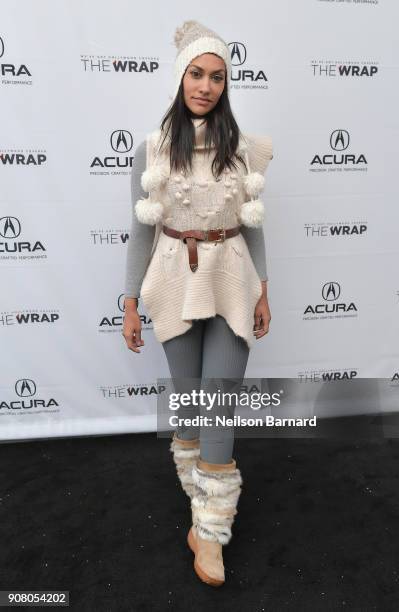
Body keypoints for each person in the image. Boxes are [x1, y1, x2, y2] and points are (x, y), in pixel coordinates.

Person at [122, 20, 273, 587]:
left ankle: (211, 531)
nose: (206, 86)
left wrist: (265, 288)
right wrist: (131, 303)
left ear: (227, 85)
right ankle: (199, 497)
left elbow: (254, 226)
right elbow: (140, 231)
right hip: (172, 278)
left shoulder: (246, 151)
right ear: (182, 76)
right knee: (188, 398)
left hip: (232, 277)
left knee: (220, 396)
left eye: (217, 77)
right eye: (197, 73)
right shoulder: (153, 151)